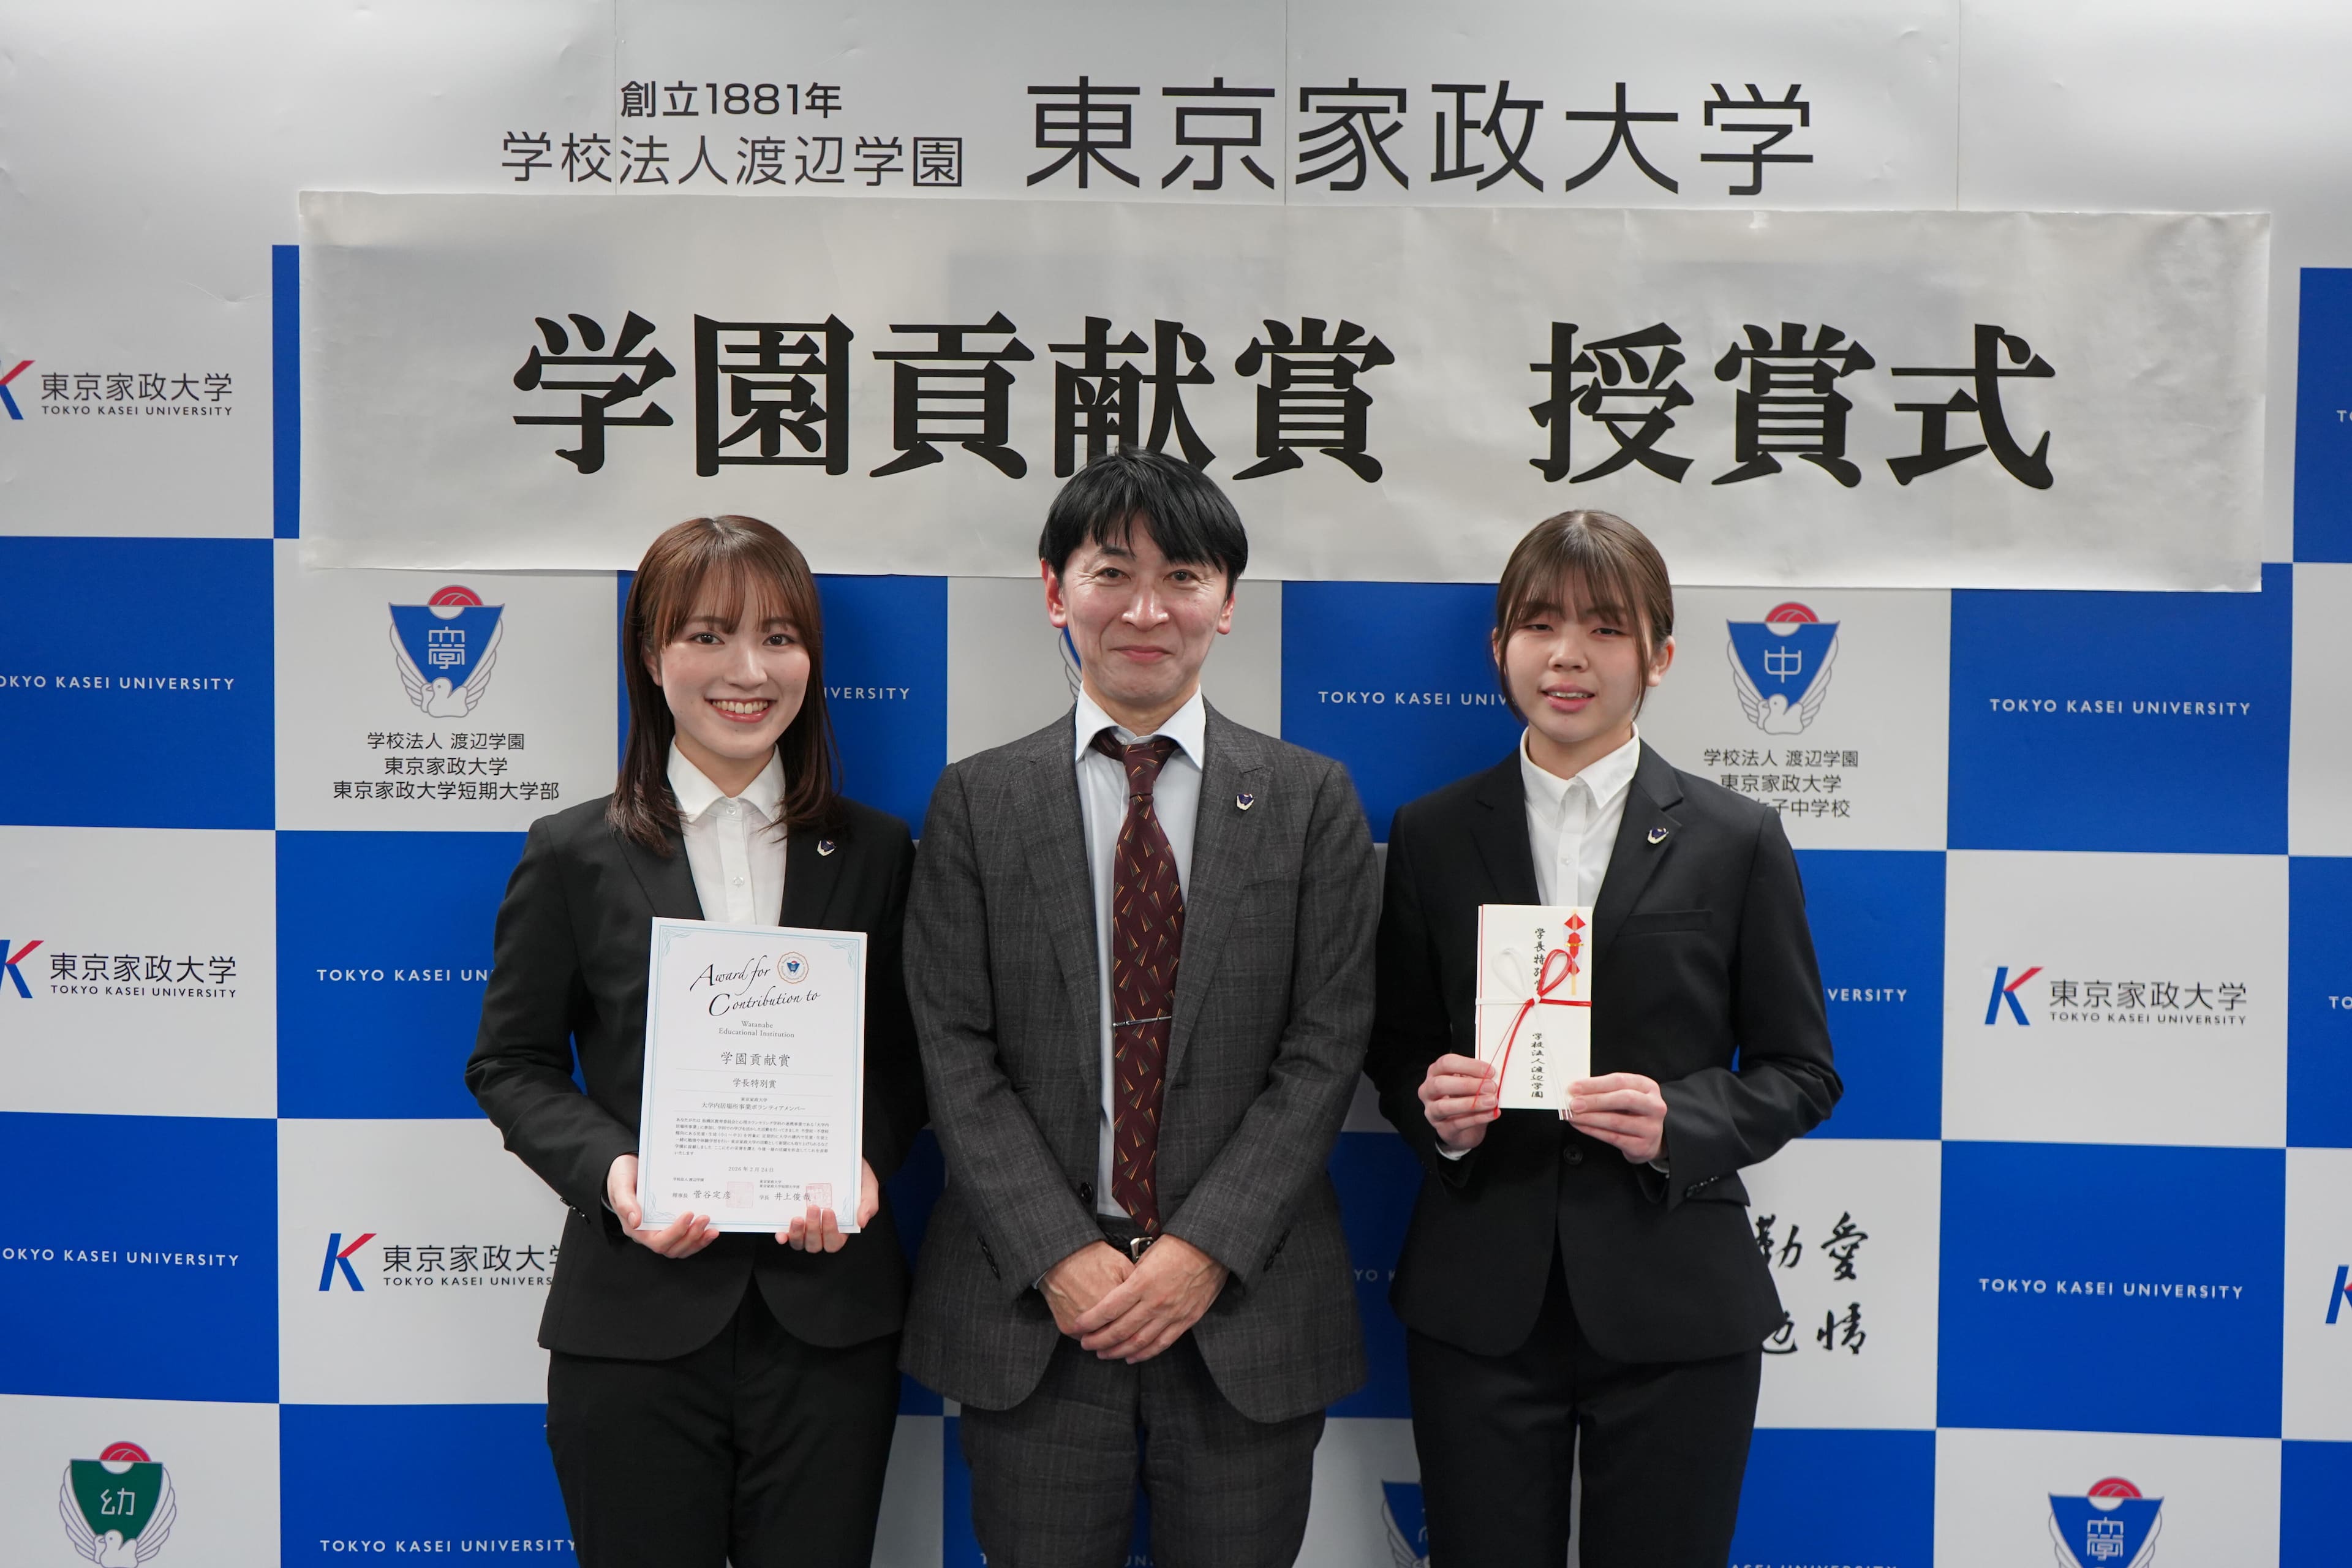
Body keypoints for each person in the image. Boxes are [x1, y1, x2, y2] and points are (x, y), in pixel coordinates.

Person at [901, 447, 1377, 1568]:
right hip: (1038, 1316)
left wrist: (1203, 1251)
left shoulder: (1310, 800)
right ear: (1056, 591)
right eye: (1112, 572)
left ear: (1228, 603)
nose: (1147, 610)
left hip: (1244, 1313)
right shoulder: (978, 800)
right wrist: (1058, 1252)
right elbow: (953, 1050)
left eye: (1184, 577)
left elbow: (1326, 1049)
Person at [1366, 510, 1842, 1568]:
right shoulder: (1433, 833)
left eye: (1606, 628)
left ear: (1659, 656)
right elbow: (1393, 1044)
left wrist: (1682, 1118)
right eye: (1540, 625)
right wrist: (1434, 1111)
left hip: (1676, 1299)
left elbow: (1803, 1071)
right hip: (1480, 1301)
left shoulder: (1736, 838)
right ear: (1499, 648)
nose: (1568, 655)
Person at [465, 515, 923, 1568]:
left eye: (779, 638)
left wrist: (864, 1161)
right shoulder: (574, 852)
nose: (748, 672)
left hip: (830, 1321)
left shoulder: (876, 850)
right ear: (651, 653)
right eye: (709, 636)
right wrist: (616, 1174)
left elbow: (910, 1060)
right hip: (634, 1319)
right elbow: (510, 1063)